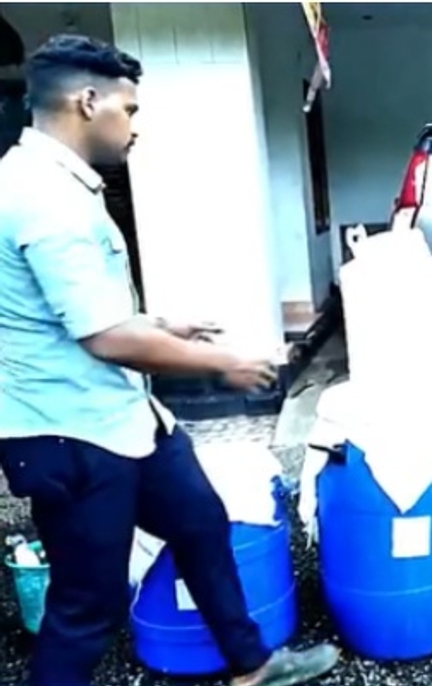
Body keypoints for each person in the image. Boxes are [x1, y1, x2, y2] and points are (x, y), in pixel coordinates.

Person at [0, 35, 339, 686]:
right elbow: (103, 336)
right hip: (71, 432)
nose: (134, 128)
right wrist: (219, 363)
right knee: (85, 607)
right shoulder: (47, 198)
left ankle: (251, 664)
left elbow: (75, 312)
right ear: (87, 101)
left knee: (200, 521)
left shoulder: (51, 182)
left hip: (126, 420)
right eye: (128, 110)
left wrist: (159, 324)